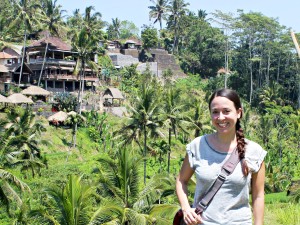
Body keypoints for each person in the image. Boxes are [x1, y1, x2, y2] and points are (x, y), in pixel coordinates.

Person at [176, 88, 267, 225]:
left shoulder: (254, 151)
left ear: (239, 113)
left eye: (226, 111)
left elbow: (258, 195)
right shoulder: (198, 146)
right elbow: (181, 180)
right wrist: (186, 208)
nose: (220, 117)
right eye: (215, 112)